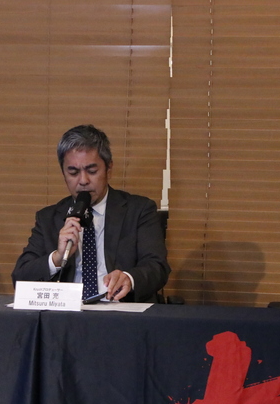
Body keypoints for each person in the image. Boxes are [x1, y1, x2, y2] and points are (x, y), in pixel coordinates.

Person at [12, 124, 170, 302]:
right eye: (73, 172)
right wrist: (57, 258)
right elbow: (20, 278)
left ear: (109, 169)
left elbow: (157, 267)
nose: (83, 181)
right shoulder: (48, 218)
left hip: (120, 308)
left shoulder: (138, 210)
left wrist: (129, 278)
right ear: (63, 173)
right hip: (69, 311)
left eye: (92, 171)